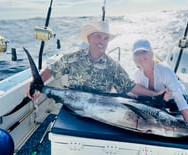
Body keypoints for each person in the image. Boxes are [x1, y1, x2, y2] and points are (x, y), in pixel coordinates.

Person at [29, 21, 166, 100]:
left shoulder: (113, 65)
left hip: (101, 112)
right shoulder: (72, 57)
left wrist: (155, 95)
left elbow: (130, 86)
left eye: (106, 38)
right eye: (98, 37)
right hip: (72, 107)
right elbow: (51, 70)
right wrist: (35, 84)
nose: (102, 42)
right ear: (89, 39)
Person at [131, 39, 188, 130]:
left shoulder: (164, 70)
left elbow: (179, 98)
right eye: (137, 53)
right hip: (159, 101)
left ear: (151, 53)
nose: (141, 56)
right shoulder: (137, 75)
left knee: (184, 128)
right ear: (134, 58)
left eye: (144, 52)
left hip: (175, 100)